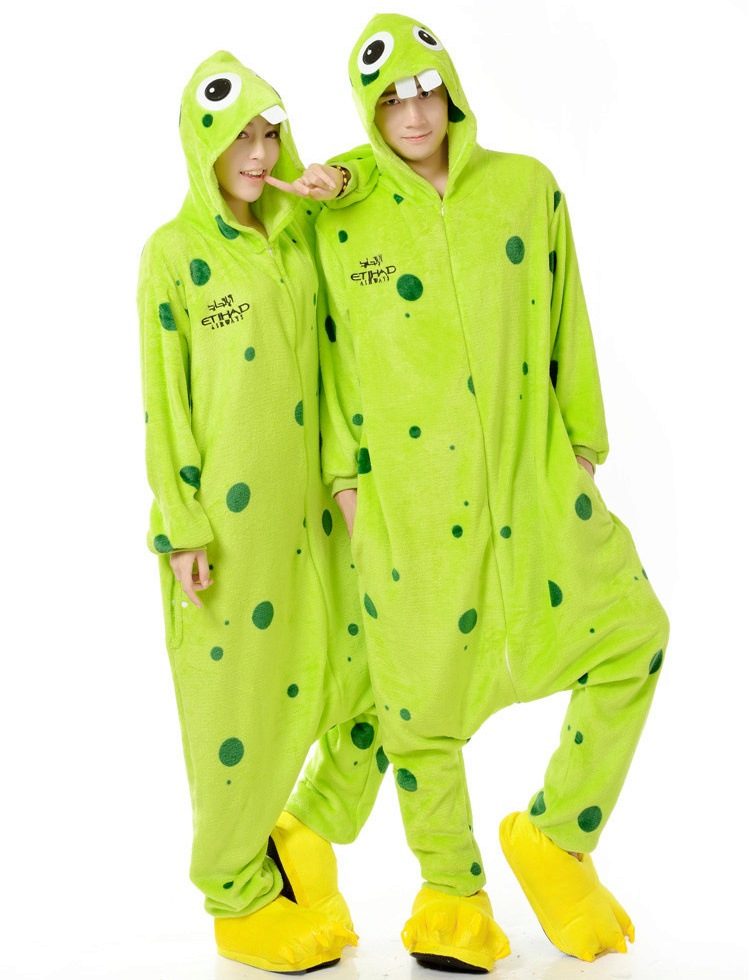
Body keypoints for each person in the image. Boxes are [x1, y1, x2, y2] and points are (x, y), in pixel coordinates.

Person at [286, 13, 670, 973]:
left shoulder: (526, 189)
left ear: (452, 88)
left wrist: (582, 447)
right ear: (368, 112)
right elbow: (328, 357)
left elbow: (568, 317)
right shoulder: (341, 216)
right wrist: (346, 482)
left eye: (426, 90)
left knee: (634, 635)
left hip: (534, 478)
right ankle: (449, 895)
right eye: (389, 100)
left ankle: (556, 836)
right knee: (420, 706)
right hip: (406, 496)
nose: (414, 114)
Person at [137, 50, 387, 973]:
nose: (256, 152)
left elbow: (382, 176)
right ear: (200, 144)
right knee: (237, 713)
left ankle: (303, 830)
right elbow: (165, 401)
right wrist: (182, 525)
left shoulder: (299, 236)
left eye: (269, 132)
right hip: (228, 535)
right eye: (237, 135)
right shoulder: (174, 255)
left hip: (322, 516)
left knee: (379, 679)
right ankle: (236, 897)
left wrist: (337, 181)